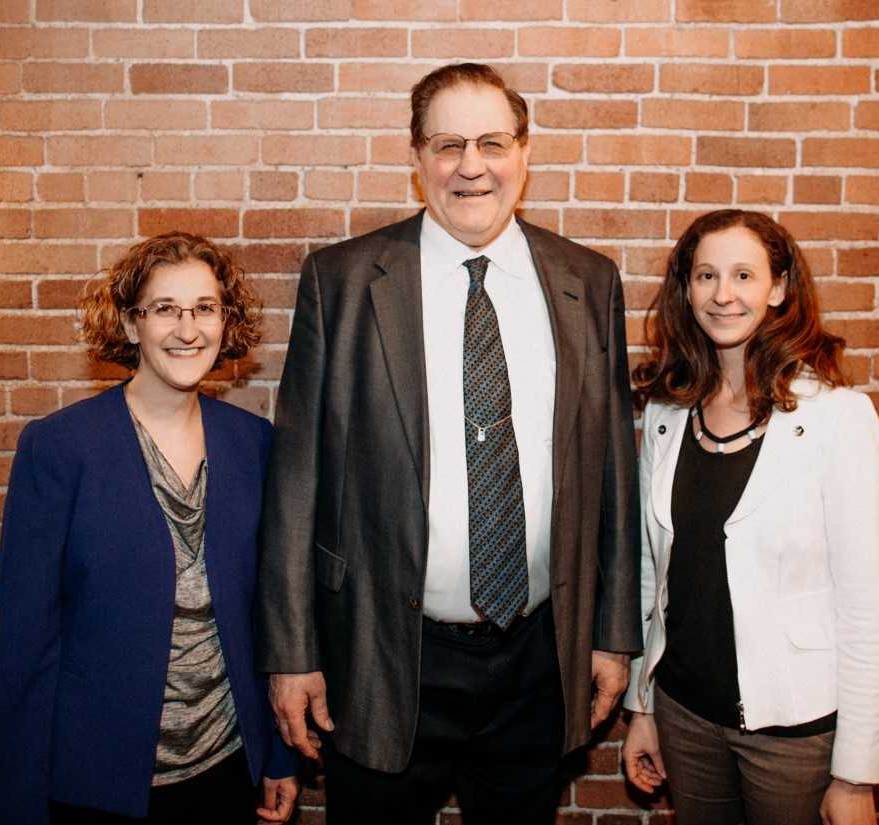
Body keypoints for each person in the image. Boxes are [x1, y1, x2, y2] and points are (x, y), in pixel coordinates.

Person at [257, 62, 641, 825]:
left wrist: (613, 634)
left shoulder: (588, 282)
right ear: (416, 157)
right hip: (382, 654)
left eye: (493, 142)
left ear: (524, 153)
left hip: (538, 659)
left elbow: (614, 475)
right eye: (448, 145)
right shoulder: (342, 282)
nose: (472, 166)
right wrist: (292, 652)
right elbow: (295, 482)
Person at [0, 232, 297, 825]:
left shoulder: (253, 444)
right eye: (165, 309)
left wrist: (277, 755)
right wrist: (14, 807)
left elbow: (269, 616)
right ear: (130, 324)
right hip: (97, 780)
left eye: (205, 308)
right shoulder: (58, 447)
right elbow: (25, 643)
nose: (188, 329)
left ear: (225, 322)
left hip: (229, 769)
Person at [620, 209, 879, 825]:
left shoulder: (838, 419)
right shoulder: (668, 413)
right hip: (684, 715)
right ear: (687, 289)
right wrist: (643, 706)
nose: (723, 294)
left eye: (743, 275)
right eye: (706, 275)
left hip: (792, 733)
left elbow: (867, 608)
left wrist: (855, 775)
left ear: (778, 288)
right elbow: (652, 576)